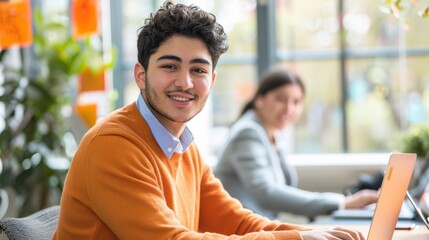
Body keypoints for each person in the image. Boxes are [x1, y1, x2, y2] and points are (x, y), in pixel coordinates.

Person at [53, 1, 366, 239]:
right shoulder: (113, 145)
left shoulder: (183, 146)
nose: (186, 82)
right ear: (140, 75)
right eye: (170, 66)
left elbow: (238, 221)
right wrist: (297, 237)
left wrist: (314, 234)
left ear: (212, 81)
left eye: (198, 70)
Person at [214, 67, 379, 221]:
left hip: (259, 228)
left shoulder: (271, 134)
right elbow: (265, 192)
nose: (289, 109)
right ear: (259, 99)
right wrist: (342, 203)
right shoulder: (248, 133)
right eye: (281, 99)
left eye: (296, 101)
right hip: (236, 232)